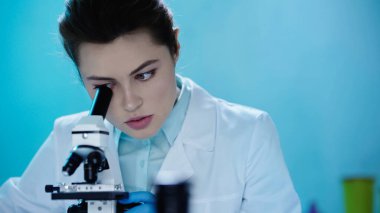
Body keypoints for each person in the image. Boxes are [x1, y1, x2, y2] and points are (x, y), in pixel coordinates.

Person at [0, 0, 301, 212]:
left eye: (145, 74)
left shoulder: (248, 134)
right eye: (104, 87)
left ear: (175, 47)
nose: (130, 103)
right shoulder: (69, 137)